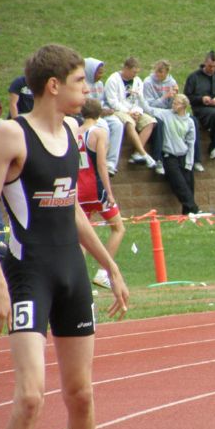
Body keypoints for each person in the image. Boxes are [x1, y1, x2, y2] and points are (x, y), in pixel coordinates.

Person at [0, 44, 129, 429]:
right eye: (80, 83)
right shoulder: (10, 134)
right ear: (53, 86)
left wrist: (109, 264)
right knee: (29, 397)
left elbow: (70, 208)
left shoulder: (72, 132)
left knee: (83, 396)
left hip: (71, 273)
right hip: (29, 275)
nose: (86, 92)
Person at [76, 98, 126, 289]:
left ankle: (77, 278)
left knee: (83, 235)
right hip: (96, 191)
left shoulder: (73, 133)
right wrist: (109, 192)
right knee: (118, 228)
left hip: (78, 192)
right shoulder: (99, 132)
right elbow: (102, 164)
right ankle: (103, 271)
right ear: (99, 114)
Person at [144, 59, 204, 172]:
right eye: (156, 71)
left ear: (166, 72)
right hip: (154, 111)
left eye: (160, 72)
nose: (157, 74)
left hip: (170, 112)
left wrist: (174, 96)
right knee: (159, 124)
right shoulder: (148, 82)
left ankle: (196, 159)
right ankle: (158, 160)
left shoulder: (171, 82)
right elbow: (148, 104)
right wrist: (165, 97)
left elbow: (174, 103)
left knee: (194, 121)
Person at [144, 94, 201, 215]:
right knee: (179, 185)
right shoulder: (166, 114)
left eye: (177, 103)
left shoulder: (189, 121)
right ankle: (195, 210)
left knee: (189, 186)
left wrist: (189, 162)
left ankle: (187, 213)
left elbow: (191, 143)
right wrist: (139, 96)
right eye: (173, 102)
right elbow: (148, 109)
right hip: (169, 157)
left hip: (184, 156)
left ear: (184, 106)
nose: (173, 105)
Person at [104, 57, 158, 169]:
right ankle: (144, 154)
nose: (135, 75)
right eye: (134, 72)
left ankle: (137, 154)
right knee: (130, 122)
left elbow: (140, 100)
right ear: (126, 68)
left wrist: (137, 111)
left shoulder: (137, 81)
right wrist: (128, 112)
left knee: (150, 122)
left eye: (137, 72)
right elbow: (113, 102)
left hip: (134, 110)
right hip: (118, 111)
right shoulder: (113, 80)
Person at [84, 58, 124, 176]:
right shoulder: (83, 84)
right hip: (90, 115)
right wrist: (101, 111)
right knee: (104, 126)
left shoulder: (100, 84)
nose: (101, 75)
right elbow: (86, 106)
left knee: (117, 124)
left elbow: (103, 101)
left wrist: (108, 109)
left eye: (102, 72)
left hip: (102, 113)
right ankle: (100, 160)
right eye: (99, 72)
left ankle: (111, 162)